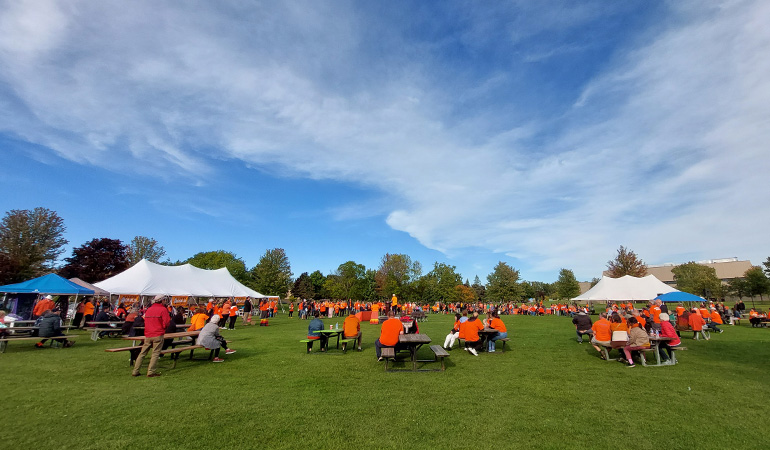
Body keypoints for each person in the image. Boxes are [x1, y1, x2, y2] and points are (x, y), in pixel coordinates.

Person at [131, 295, 171, 378]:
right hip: (158, 333)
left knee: (142, 353)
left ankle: (135, 370)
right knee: (155, 353)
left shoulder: (149, 309)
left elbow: (145, 320)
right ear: (162, 300)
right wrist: (163, 327)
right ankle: (151, 371)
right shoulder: (163, 309)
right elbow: (167, 322)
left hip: (148, 334)